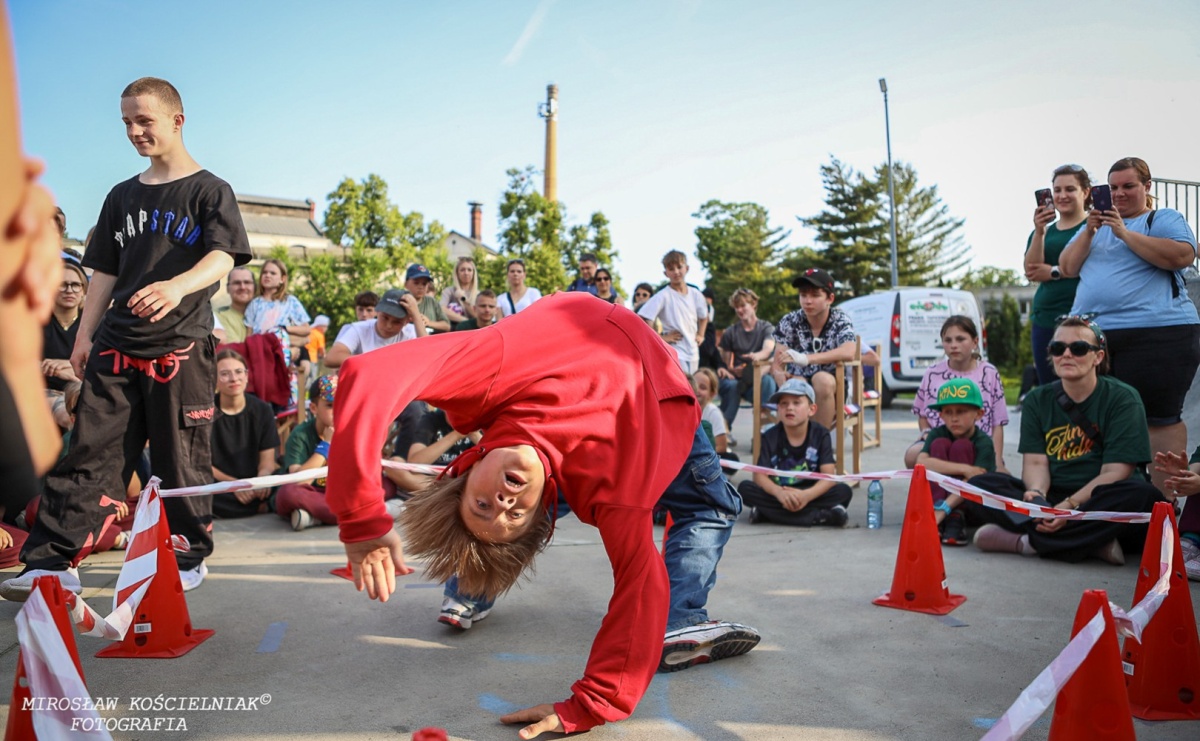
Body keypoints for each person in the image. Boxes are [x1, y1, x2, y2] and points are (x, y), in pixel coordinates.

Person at [325, 293, 759, 739]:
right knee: (710, 505)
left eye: (483, 505)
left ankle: (470, 587)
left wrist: (360, 517)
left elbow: (368, 373)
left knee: (507, 520)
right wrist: (589, 704)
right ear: (539, 514)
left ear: (464, 470)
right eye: (512, 516)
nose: (505, 504)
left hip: (600, 337)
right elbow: (640, 586)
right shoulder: (612, 495)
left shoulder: (488, 376)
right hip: (662, 403)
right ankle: (679, 619)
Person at [1, 77, 252, 600]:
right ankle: (51, 561)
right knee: (90, 452)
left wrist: (176, 285)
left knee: (180, 456)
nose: (135, 132)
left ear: (177, 120)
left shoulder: (210, 190)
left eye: (145, 121)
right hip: (116, 344)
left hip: (180, 346)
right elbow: (104, 275)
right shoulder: (121, 196)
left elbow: (223, 257)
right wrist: (84, 336)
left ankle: (184, 554)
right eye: (127, 123)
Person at [964, 317, 1167, 564]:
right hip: (1054, 494)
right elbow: (1036, 464)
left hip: (1101, 496)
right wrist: (1038, 496)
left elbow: (1116, 471)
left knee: (1145, 497)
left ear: (1098, 357)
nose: (1067, 354)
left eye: (1079, 348)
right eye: (1058, 348)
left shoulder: (1123, 398)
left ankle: (1026, 542)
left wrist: (1070, 507)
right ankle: (1091, 543)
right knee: (979, 485)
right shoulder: (1036, 400)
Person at [1059, 156, 1200, 500]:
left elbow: (1182, 256)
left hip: (1158, 333)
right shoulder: (1092, 228)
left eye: (1128, 186)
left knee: (1159, 419)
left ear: (1147, 187)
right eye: (1113, 187)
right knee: (1090, 417)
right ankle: (1102, 503)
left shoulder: (1161, 218)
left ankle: (1161, 506)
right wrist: (1091, 230)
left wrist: (1123, 232)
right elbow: (1066, 267)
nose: (1119, 194)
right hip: (1095, 336)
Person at [736, 378, 852, 527]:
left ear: (812, 409)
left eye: (796, 403)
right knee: (745, 489)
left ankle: (767, 514)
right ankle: (819, 516)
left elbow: (829, 476)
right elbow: (759, 475)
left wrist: (806, 496)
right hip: (779, 493)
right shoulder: (769, 436)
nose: (789, 408)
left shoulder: (821, 434)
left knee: (843, 491)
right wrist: (779, 493)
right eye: (783, 403)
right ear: (778, 409)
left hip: (811, 491)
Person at [904, 316, 1008, 470]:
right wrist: (926, 434)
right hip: (940, 439)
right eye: (948, 340)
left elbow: (997, 423)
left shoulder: (989, 373)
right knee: (912, 456)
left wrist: (997, 460)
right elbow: (922, 414)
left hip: (976, 440)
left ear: (974, 341)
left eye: (960, 339)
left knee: (967, 450)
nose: (953, 345)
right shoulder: (932, 373)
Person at [1024, 164, 1090, 386]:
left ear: (1086, 192)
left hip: (1084, 318)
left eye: (1070, 189)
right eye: (1057, 190)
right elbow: (1031, 270)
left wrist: (1053, 271)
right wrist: (1040, 231)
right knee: (1050, 387)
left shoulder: (1094, 226)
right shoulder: (1043, 231)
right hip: (1045, 319)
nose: (1062, 195)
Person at [772, 267, 857, 430]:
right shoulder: (789, 320)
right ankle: (790, 448)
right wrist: (780, 377)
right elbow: (778, 361)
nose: (807, 301)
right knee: (796, 385)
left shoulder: (840, 319)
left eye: (815, 295)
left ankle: (818, 444)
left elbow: (849, 351)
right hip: (799, 379)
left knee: (821, 380)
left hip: (833, 384)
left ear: (830, 298)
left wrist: (806, 359)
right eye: (803, 295)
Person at [916, 378, 996, 546]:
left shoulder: (984, 442)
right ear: (941, 415)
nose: (954, 418)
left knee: (962, 446)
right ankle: (935, 514)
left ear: (979, 414)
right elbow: (921, 463)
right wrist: (964, 468)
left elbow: (975, 480)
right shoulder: (937, 434)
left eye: (961, 411)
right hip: (938, 506)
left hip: (970, 506)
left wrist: (945, 508)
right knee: (939, 445)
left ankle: (955, 517)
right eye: (948, 412)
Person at [210, 350, 279, 518]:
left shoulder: (262, 410)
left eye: (239, 372)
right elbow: (202, 464)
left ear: (247, 376)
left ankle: (261, 502)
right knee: (197, 494)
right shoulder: (205, 412)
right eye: (225, 374)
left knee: (284, 483)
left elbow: (268, 462)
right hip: (221, 484)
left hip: (254, 483)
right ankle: (260, 507)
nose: (234, 379)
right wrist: (234, 485)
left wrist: (260, 482)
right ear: (214, 380)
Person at [244, 258, 311, 409]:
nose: (267, 276)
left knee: (285, 395)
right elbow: (249, 335)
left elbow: (306, 329)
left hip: (282, 352)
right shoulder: (255, 304)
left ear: (282, 279)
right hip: (262, 354)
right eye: (264, 273)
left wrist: (284, 328)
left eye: (272, 273)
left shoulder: (290, 301)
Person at [716, 288, 776, 433]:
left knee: (767, 381)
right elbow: (726, 361)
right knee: (733, 385)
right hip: (736, 380)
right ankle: (723, 431)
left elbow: (768, 349)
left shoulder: (766, 328)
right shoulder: (731, 332)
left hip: (755, 377)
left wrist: (756, 357)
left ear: (753, 304)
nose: (740, 310)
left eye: (743, 305)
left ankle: (764, 430)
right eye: (737, 307)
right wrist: (730, 369)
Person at [637, 250, 707, 374]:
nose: (676, 272)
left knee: (694, 387)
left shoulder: (695, 294)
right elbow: (644, 317)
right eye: (671, 269)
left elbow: (704, 316)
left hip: (693, 351)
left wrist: (701, 334)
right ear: (666, 273)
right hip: (675, 350)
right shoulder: (663, 295)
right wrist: (661, 338)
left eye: (679, 267)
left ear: (687, 268)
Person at [323, 288, 425, 369]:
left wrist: (416, 315)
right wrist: (374, 362)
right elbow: (330, 358)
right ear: (377, 312)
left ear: (407, 321)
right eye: (385, 318)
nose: (389, 325)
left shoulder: (411, 331)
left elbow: (429, 356)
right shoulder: (359, 328)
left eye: (397, 322)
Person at [41, 252, 87, 392]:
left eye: (75, 285)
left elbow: (104, 363)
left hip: (81, 389)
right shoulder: (36, 321)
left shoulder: (93, 324)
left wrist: (70, 364)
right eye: (62, 284)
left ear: (84, 290)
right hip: (41, 390)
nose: (69, 290)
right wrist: (51, 368)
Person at [691, 368, 731, 456]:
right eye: (694, 386)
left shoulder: (713, 413)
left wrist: (698, 455)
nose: (697, 390)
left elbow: (721, 447)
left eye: (703, 387)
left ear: (712, 393)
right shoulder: (685, 409)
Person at [215, 265, 254, 344]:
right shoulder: (217, 316)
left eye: (247, 282)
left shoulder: (266, 314)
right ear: (227, 288)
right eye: (237, 283)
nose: (242, 287)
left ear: (255, 287)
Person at [405, 264, 450, 333]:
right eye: (416, 283)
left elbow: (447, 326)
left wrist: (429, 323)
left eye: (424, 284)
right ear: (406, 284)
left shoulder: (431, 302)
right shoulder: (401, 301)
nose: (420, 287)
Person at [440, 256, 479, 325]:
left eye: (469, 270)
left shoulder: (478, 294)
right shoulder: (449, 291)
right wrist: (465, 321)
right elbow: (441, 309)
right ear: (457, 273)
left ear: (473, 273)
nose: (466, 273)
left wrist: (463, 300)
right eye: (462, 270)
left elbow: (478, 317)